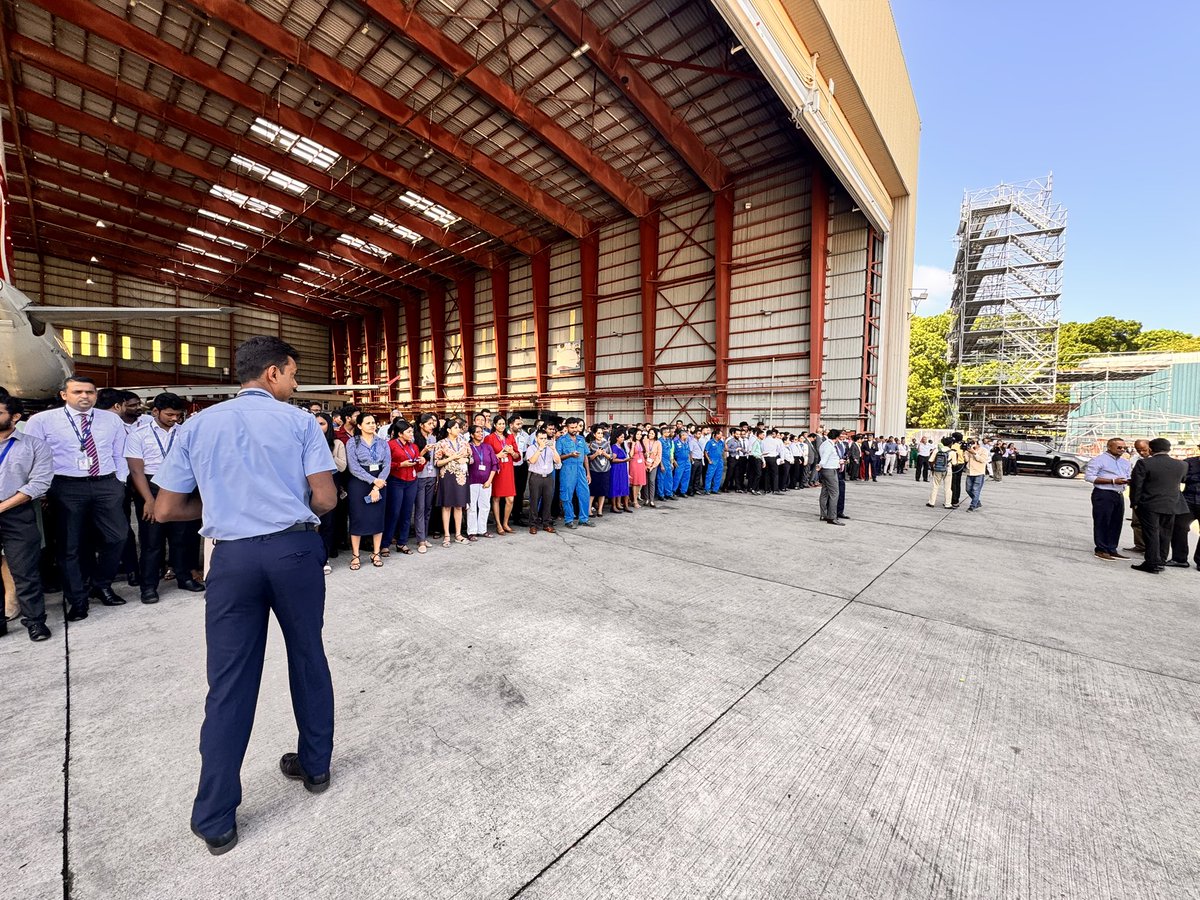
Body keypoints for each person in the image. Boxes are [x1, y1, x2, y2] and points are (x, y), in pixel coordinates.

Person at [153, 335, 337, 855]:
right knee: (308, 657)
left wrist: (220, 510)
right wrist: (287, 503)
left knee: (229, 682)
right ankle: (316, 766)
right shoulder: (300, 422)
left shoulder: (197, 425)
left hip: (231, 559)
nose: (296, 384)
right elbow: (323, 498)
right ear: (274, 373)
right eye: (295, 375)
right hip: (295, 554)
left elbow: (165, 510)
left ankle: (215, 817)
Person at [25, 375, 130, 619]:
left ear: (96, 394)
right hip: (66, 486)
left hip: (106, 484)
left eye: (90, 392)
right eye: (77, 392)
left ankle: (101, 584)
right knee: (68, 545)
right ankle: (78, 598)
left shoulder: (110, 420)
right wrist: (43, 489)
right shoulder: (42, 421)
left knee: (118, 536)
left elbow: (120, 452)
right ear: (64, 395)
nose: (84, 396)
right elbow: (35, 457)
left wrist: (120, 481)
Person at [125, 392, 205, 602]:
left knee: (182, 537)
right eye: (169, 414)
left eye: (178, 415)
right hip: (150, 487)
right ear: (155, 412)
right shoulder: (138, 435)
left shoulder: (185, 432)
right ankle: (149, 586)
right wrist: (149, 501)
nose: (174, 419)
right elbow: (136, 471)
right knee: (152, 542)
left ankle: (184, 577)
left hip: (181, 485)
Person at [0, 394, 54, 641]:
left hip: (17, 513)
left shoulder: (34, 445)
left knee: (25, 571)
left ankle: (35, 621)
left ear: (15, 417)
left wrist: (3, 507)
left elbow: (39, 483)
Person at [1129, 438, 1188, 574]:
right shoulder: (1182, 465)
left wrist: (1135, 503)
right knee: (1165, 533)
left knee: (1151, 533)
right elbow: (1183, 480)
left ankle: (1151, 563)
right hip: (1172, 504)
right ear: (1169, 449)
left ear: (1150, 449)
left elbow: (1136, 485)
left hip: (1150, 504)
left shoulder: (1144, 463)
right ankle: (1161, 561)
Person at [345, 414, 389, 569]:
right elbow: (353, 467)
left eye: (373, 423)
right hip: (359, 482)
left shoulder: (383, 443)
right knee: (357, 518)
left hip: (380, 481)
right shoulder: (352, 443)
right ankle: (355, 555)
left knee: (378, 517)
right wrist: (373, 481)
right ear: (359, 426)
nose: (372, 425)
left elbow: (387, 465)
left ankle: (376, 553)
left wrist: (377, 486)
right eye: (368, 423)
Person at [1084, 437, 1132, 562]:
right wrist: (1112, 481)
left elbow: (1128, 476)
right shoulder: (1099, 460)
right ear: (1109, 447)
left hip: (1118, 493)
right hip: (1103, 494)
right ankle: (1101, 549)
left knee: (1116, 522)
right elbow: (1089, 477)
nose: (1122, 450)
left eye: (1124, 447)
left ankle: (1112, 548)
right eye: (1119, 447)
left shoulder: (1125, 462)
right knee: (1102, 521)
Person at [381, 419, 420, 556]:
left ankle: (402, 542)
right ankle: (385, 544)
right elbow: (384, 464)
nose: (411, 434)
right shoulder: (390, 445)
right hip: (396, 481)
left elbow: (418, 467)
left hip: (412, 481)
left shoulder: (413, 446)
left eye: (412, 431)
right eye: (409, 431)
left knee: (407, 513)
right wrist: (399, 465)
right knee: (393, 513)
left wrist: (421, 461)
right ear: (400, 433)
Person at [314, 413, 346, 573]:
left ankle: (324, 557)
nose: (318, 427)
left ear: (329, 425)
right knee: (312, 525)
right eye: (316, 424)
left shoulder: (337, 443)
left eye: (322, 424)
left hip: (330, 485)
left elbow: (342, 466)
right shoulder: (307, 442)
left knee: (328, 523)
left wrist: (326, 454)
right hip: (311, 485)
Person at [434, 418, 471, 547]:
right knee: (447, 505)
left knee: (459, 505)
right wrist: (451, 458)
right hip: (447, 476)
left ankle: (458, 534)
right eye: (455, 427)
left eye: (458, 427)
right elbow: (437, 462)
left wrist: (465, 460)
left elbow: (470, 458)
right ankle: (447, 535)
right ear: (449, 430)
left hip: (461, 475)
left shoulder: (464, 442)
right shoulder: (441, 443)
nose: (458, 429)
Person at [556, 418, 592, 527]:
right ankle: (569, 519)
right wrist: (570, 455)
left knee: (584, 494)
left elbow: (585, 456)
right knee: (567, 495)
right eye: (572, 427)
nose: (575, 429)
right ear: (567, 428)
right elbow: (558, 458)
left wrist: (588, 473)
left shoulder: (581, 439)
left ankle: (584, 519)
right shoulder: (561, 440)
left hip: (580, 469)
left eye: (576, 427)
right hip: (567, 470)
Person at [412, 413, 439, 554]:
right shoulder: (414, 438)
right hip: (419, 476)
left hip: (432, 475)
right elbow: (414, 459)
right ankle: (420, 539)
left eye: (433, 423)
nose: (432, 425)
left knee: (428, 507)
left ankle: (424, 536)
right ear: (421, 425)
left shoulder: (434, 438)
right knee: (420, 508)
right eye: (429, 423)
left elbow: (435, 459)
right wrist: (424, 451)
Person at [485, 415, 517, 534]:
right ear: (494, 425)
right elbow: (486, 456)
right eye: (499, 424)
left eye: (503, 424)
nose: (502, 426)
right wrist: (497, 455)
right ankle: (498, 524)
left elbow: (517, 456)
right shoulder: (489, 438)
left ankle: (505, 523)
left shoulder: (510, 437)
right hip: (496, 470)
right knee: (496, 498)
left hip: (508, 470)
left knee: (510, 499)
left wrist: (512, 451)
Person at [467, 424, 498, 540]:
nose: (481, 434)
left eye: (482, 432)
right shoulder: (468, 447)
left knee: (485, 506)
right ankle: (472, 532)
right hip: (472, 481)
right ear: (471, 434)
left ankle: (482, 529)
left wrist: (489, 480)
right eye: (478, 432)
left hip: (486, 481)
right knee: (472, 507)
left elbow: (495, 465)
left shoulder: (488, 447)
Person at [525, 427, 560, 533]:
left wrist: (554, 449)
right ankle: (533, 524)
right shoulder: (531, 448)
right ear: (536, 438)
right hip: (536, 477)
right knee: (534, 501)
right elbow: (532, 460)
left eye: (545, 438)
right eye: (541, 438)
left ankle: (546, 523)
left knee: (548, 501)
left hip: (548, 477)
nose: (544, 441)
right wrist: (540, 449)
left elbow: (558, 461)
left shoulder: (550, 448)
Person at [1173, 443, 1200, 571]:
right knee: (1179, 528)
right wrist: (1195, 477)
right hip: (1187, 501)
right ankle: (1179, 559)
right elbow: (1180, 478)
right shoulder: (1188, 462)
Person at [1125, 439, 1152, 554]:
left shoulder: (1156, 461)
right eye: (1138, 450)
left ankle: (1152, 548)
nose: (1141, 452)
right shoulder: (1134, 459)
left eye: (1144, 450)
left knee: (1152, 524)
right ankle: (1140, 545)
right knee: (1136, 522)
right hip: (1137, 495)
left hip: (1151, 497)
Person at [817, 428, 845, 525]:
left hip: (826, 470)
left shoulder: (824, 444)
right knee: (834, 493)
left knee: (824, 493)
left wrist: (838, 461)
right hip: (830, 470)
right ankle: (832, 517)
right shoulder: (829, 446)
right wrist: (820, 465)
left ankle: (823, 514)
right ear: (837, 437)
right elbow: (825, 458)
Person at [509, 414, 530, 526]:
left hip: (521, 466)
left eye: (521, 424)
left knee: (520, 491)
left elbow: (526, 451)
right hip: (508, 467)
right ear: (511, 425)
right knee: (507, 492)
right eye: (517, 424)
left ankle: (517, 516)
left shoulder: (525, 435)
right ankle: (506, 516)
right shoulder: (506, 436)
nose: (520, 426)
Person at [589, 424, 614, 515]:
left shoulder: (606, 444)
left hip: (605, 470)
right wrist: (596, 454)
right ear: (594, 434)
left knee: (603, 491)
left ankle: (600, 510)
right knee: (592, 491)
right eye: (598, 433)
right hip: (594, 470)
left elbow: (611, 456)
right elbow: (588, 458)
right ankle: (589, 510)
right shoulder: (591, 444)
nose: (600, 435)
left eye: (601, 433)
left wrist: (604, 454)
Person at [926, 437, 954, 509]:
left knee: (935, 486)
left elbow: (931, 460)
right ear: (951, 444)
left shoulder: (936, 450)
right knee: (947, 487)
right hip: (947, 470)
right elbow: (954, 463)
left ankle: (931, 502)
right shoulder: (952, 452)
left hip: (937, 469)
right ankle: (947, 504)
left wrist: (932, 468)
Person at [608, 426, 631, 512]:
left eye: (623, 437)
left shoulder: (621, 447)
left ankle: (622, 504)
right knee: (615, 486)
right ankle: (613, 506)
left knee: (623, 486)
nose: (623, 438)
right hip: (616, 469)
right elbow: (613, 459)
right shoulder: (614, 447)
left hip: (622, 468)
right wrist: (623, 460)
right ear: (617, 438)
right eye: (621, 437)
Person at [964, 439, 989, 511]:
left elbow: (983, 460)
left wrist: (974, 453)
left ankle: (973, 505)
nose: (971, 444)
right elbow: (966, 460)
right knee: (968, 489)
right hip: (970, 472)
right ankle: (977, 501)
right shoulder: (969, 450)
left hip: (979, 472)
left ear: (978, 444)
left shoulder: (983, 450)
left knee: (975, 490)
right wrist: (966, 452)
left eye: (973, 443)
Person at [643, 427, 661, 507]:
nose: (650, 435)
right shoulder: (644, 441)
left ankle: (652, 500)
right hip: (644, 464)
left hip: (653, 465)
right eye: (649, 433)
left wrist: (653, 466)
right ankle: (646, 499)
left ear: (655, 435)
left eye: (652, 433)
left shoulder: (658, 443)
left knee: (652, 481)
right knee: (645, 482)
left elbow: (659, 456)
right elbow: (641, 452)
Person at [629, 427, 647, 508]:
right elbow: (631, 455)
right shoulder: (631, 443)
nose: (639, 436)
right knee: (635, 483)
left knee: (640, 482)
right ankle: (635, 501)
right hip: (634, 463)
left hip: (641, 463)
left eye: (640, 434)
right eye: (637, 434)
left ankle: (635, 499)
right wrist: (633, 446)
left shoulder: (641, 442)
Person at [704, 428, 725, 494]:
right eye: (720, 435)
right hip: (713, 460)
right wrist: (709, 460)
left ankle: (715, 489)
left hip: (720, 460)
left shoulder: (721, 442)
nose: (721, 436)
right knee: (710, 475)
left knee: (718, 475)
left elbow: (726, 449)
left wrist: (724, 441)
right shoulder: (710, 442)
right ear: (716, 435)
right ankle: (707, 489)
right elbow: (705, 452)